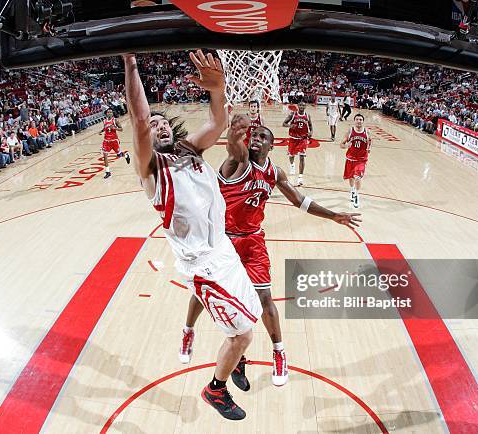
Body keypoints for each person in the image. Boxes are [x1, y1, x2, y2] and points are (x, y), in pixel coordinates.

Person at [124, 50, 261, 420]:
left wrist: (218, 91)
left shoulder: (188, 148)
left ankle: (234, 362)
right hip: (202, 265)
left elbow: (218, 122)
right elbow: (138, 119)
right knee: (243, 334)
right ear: (145, 140)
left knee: (253, 316)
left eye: (162, 122)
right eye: (152, 127)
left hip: (224, 250)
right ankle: (215, 389)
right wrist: (131, 61)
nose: (159, 126)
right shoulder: (150, 171)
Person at [180, 115, 361, 388]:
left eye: (263, 137)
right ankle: (188, 331)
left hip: (252, 241)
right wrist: (233, 130)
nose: (256, 140)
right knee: (203, 293)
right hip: (222, 241)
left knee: (264, 298)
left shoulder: (275, 173)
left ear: (271, 146)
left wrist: (333, 215)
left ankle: (279, 352)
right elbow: (233, 146)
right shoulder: (237, 162)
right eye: (254, 136)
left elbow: (299, 200)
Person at [341, 114, 371, 208]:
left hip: (361, 159)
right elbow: (341, 144)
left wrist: (369, 148)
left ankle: (357, 195)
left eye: (361, 119)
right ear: (354, 120)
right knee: (351, 178)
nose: (359, 121)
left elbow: (370, 141)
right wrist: (346, 146)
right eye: (357, 119)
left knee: (358, 177)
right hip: (350, 158)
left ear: (363, 121)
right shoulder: (350, 131)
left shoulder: (367, 131)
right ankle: (352, 189)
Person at [282, 101, 312, 186]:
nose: (302, 106)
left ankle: (300, 177)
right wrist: (290, 126)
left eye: (303, 105)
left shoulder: (307, 115)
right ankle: (292, 165)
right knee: (291, 155)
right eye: (300, 105)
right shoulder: (293, 114)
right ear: (298, 106)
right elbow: (284, 123)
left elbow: (310, 126)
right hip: (293, 138)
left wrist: (311, 132)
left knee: (302, 157)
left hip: (303, 139)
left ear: (305, 106)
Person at [99, 108, 129, 178]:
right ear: (106, 113)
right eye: (108, 112)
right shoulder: (104, 121)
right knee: (105, 156)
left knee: (119, 155)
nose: (109, 113)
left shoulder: (115, 120)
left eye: (111, 112)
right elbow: (105, 128)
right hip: (106, 141)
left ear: (112, 113)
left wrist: (115, 128)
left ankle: (126, 155)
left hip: (114, 140)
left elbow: (121, 129)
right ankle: (108, 172)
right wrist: (101, 131)